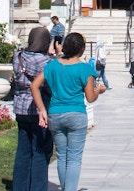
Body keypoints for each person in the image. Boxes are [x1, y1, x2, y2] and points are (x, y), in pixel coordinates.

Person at [31, 32, 106, 191]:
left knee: (62, 156)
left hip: (55, 113)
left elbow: (34, 85)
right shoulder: (85, 69)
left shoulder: (52, 65)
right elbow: (90, 97)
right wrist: (99, 90)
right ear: (82, 49)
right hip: (76, 114)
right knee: (74, 159)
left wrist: (42, 109)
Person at [12, 27, 54, 191]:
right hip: (39, 108)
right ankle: (38, 187)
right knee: (40, 151)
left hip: (20, 107)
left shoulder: (18, 56)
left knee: (23, 150)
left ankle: (20, 186)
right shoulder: (46, 62)